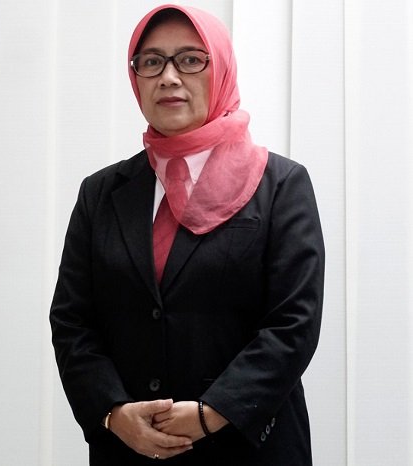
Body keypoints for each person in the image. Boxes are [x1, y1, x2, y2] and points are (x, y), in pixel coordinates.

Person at [49, 4, 325, 465]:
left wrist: (213, 413)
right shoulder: (101, 193)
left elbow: (294, 321)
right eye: (152, 61)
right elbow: (72, 320)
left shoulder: (280, 185)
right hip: (129, 450)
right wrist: (113, 413)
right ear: (135, 76)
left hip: (249, 448)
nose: (169, 77)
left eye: (191, 59)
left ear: (221, 70)